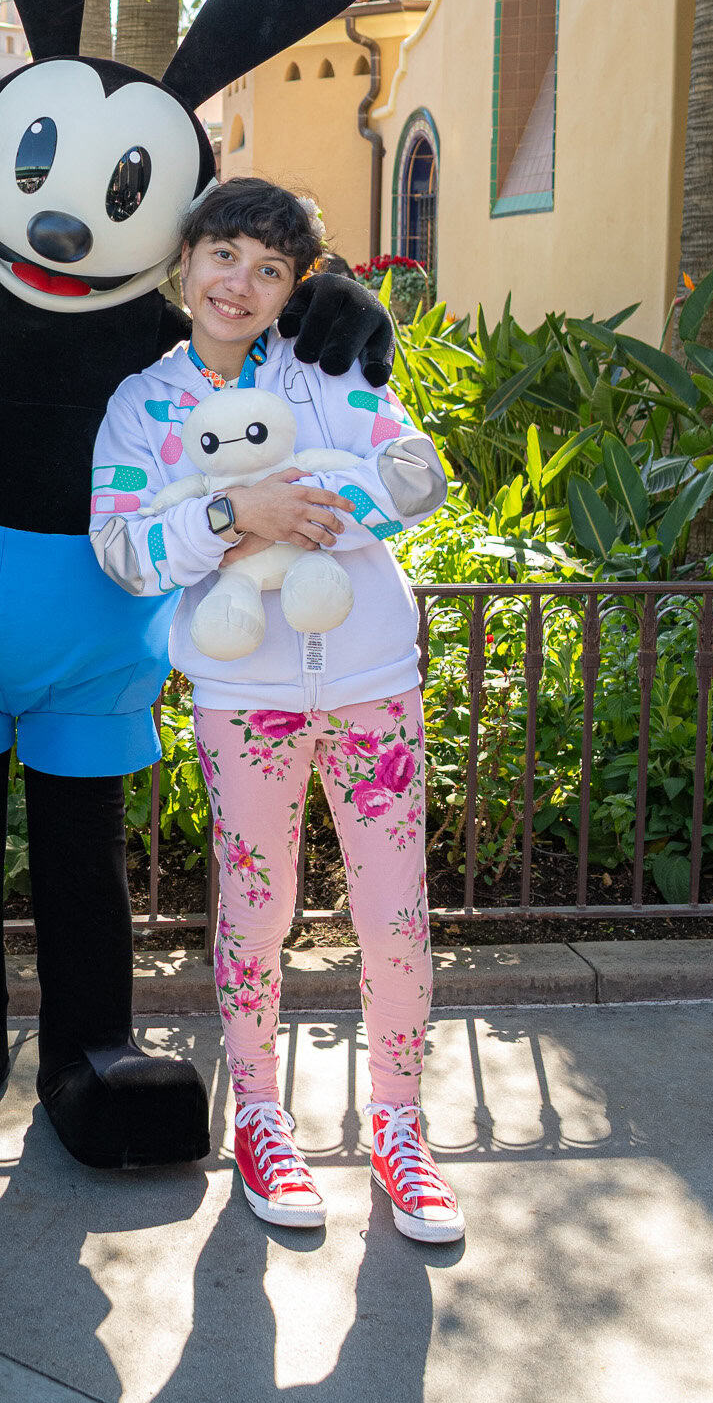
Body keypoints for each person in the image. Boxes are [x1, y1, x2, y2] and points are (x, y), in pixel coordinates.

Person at [90, 179, 464, 1243]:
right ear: (185, 262)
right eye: (223, 257)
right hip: (243, 694)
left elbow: (416, 473)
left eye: (268, 268)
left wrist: (306, 508)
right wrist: (226, 516)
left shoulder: (328, 370)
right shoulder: (141, 403)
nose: (239, 284)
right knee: (258, 911)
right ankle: (259, 1110)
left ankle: (401, 1123)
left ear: (293, 285)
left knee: (394, 913)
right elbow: (121, 546)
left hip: (370, 683)